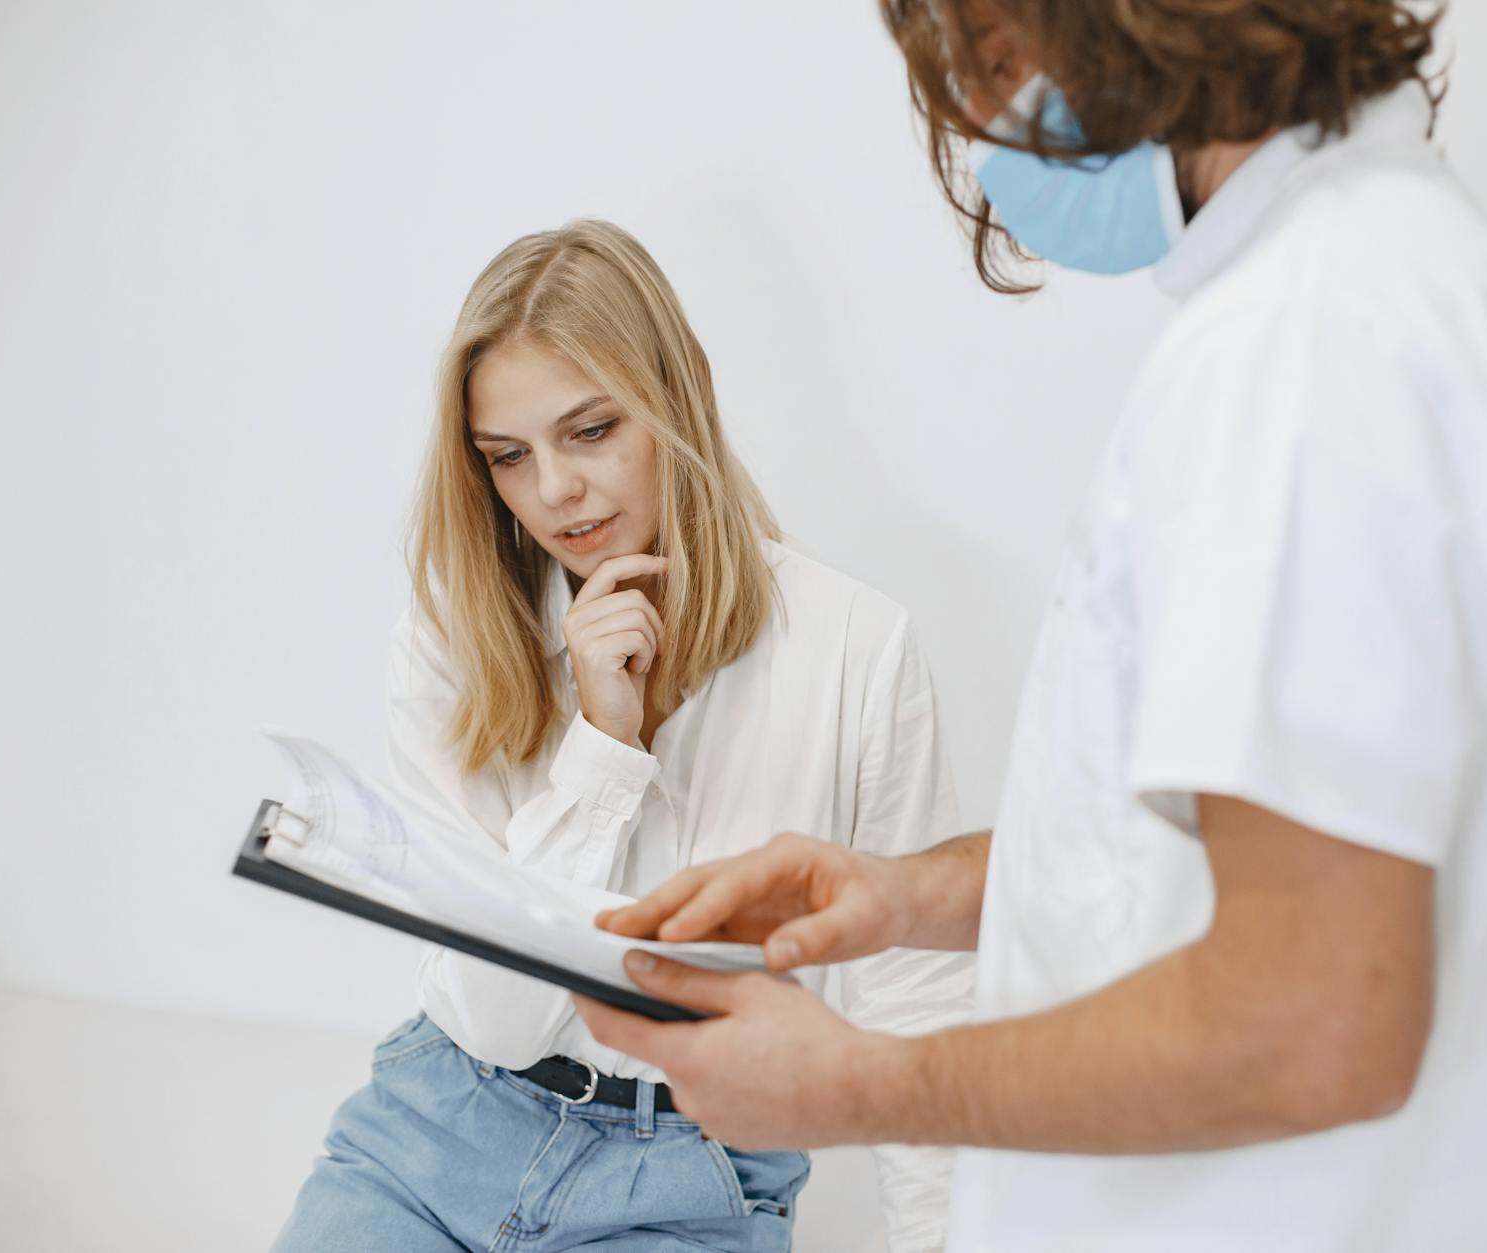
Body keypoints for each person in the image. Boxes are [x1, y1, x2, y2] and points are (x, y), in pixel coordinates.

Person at [582, 3, 1487, 1251]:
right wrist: (901, 893)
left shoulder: (1309, 347)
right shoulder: (1367, 284)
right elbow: (1199, 862)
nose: (996, 124)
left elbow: (1316, 1015)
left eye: (1003, 60)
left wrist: (857, 1085)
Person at [272, 219, 973, 1252]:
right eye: (507, 456)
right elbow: (498, 1017)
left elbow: (918, 996)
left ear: (678, 390)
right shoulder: (450, 638)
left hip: (692, 1170)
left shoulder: (853, 647)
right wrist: (602, 742)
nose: (551, 490)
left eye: (590, 430)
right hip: (438, 1126)